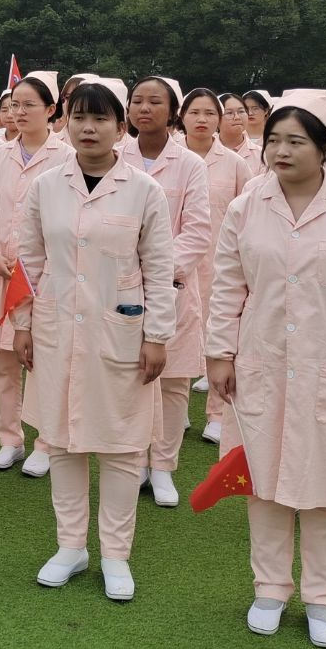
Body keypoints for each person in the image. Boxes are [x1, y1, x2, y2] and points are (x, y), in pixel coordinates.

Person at [206, 90, 326, 649]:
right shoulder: (247, 207)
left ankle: (322, 597)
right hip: (260, 358)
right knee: (263, 482)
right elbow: (228, 287)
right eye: (274, 140)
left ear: (325, 146)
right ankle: (269, 588)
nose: (281, 151)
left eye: (295, 141)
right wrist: (219, 352)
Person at [14, 80, 173, 600]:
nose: (88, 128)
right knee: (62, 441)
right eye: (79, 117)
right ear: (66, 122)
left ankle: (116, 554)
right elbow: (28, 261)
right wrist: (22, 323)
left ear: (120, 127)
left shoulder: (144, 190)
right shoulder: (46, 186)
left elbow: (159, 268)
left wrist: (157, 335)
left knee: (122, 447)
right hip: (56, 328)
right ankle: (70, 546)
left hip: (121, 331)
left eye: (101, 119)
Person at [119, 76, 211, 507]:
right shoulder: (116, 156)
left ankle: (163, 467)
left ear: (173, 111)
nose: (144, 108)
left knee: (173, 384)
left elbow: (197, 231)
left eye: (154, 101)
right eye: (137, 100)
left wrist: (157, 271)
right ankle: (136, 461)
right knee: (132, 380)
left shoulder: (189, 164)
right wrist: (126, 271)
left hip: (173, 288)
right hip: (119, 288)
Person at [0, 71, 72, 477]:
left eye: (28, 105)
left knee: (42, 361)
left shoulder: (66, 157)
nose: (18, 112)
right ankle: (9, 439)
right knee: (4, 363)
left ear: (51, 110)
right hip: (2, 272)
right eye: (14, 105)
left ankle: (46, 442)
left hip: (46, 274)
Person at [179, 87, 253, 445]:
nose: (202, 119)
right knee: (175, 333)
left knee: (218, 336)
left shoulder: (235, 164)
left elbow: (247, 216)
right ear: (182, 116)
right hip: (177, 261)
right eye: (195, 112)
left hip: (220, 263)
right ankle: (175, 408)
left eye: (210, 113)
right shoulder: (171, 157)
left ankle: (217, 413)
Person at [218, 92, 264, 174]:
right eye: (229, 113)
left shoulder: (261, 155)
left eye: (241, 111)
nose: (237, 117)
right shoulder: (205, 149)